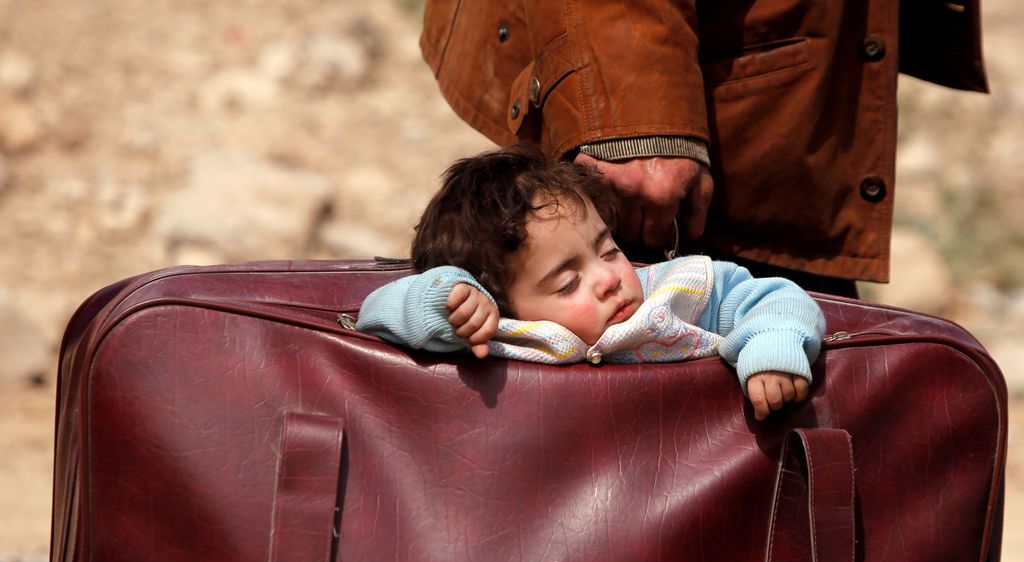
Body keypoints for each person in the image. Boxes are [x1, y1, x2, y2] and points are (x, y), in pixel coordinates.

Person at [418, 1, 988, 296]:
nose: (606, 280)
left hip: (777, 115)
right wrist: (633, 115)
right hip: (661, 148)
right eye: (570, 281)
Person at [358, 146, 826, 421]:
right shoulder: (499, 332)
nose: (607, 278)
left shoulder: (677, 291)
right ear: (503, 304)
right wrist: (448, 300)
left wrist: (771, 348)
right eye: (567, 283)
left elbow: (777, 297)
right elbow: (373, 316)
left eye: (608, 250)